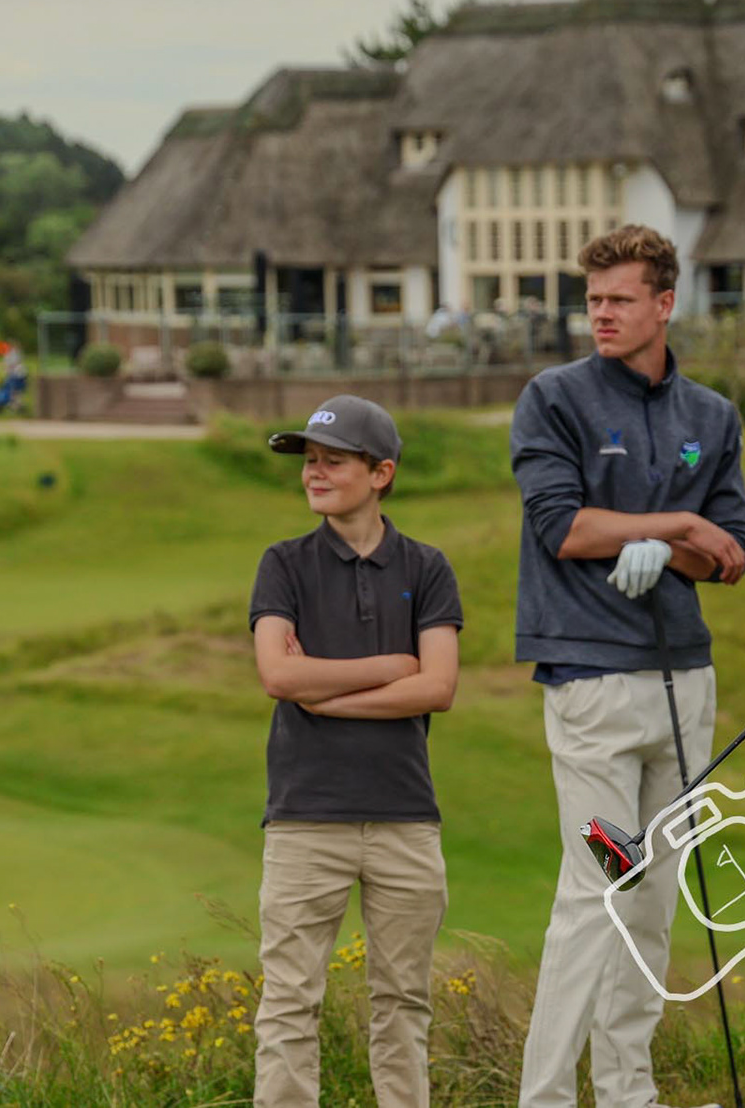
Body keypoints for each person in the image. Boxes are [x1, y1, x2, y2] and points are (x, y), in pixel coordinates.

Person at [512, 224, 745, 1108]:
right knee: (594, 893)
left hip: (683, 680)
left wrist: (684, 543)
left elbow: (735, 553)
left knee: (651, 901)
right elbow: (562, 527)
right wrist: (675, 528)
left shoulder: (711, 417)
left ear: (665, 303)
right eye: (593, 301)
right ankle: (543, 1097)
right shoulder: (554, 398)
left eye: (619, 300)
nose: (602, 316)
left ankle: (627, 1091)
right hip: (588, 681)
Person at [247, 394, 464, 1108]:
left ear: (382, 473)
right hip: (306, 817)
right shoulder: (282, 563)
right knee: (289, 1001)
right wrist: (384, 667)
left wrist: (322, 692)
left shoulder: (428, 567)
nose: (313, 474)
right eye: (308, 462)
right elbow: (278, 675)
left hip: (404, 817)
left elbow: (437, 687)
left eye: (331, 461)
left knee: (403, 1001)